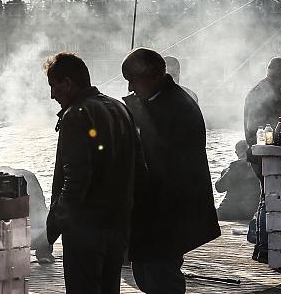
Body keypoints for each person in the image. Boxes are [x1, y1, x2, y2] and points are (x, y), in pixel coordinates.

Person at [122, 48, 220, 294]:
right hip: (151, 211)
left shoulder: (177, 106)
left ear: (154, 76)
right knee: (144, 274)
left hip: (167, 211)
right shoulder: (153, 101)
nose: (131, 88)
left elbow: (161, 157)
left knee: (161, 276)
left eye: (133, 80)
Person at [44, 53, 140, 294]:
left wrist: (53, 226)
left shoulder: (76, 115)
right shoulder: (120, 108)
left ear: (67, 83)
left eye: (53, 86)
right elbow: (139, 168)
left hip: (85, 228)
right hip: (116, 225)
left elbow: (75, 180)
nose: (52, 95)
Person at [243, 57, 281, 263]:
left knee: (268, 196)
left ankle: (259, 239)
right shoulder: (263, 93)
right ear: (278, 74)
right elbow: (254, 129)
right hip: (263, 154)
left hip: (267, 152)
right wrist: (280, 134)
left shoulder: (273, 93)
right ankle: (263, 247)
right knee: (270, 198)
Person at [215, 140, 260, 221]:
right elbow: (219, 188)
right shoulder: (258, 167)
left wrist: (229, 169)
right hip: (242, 212)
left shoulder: (235, 167)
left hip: (233, 211)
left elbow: (219, 188)